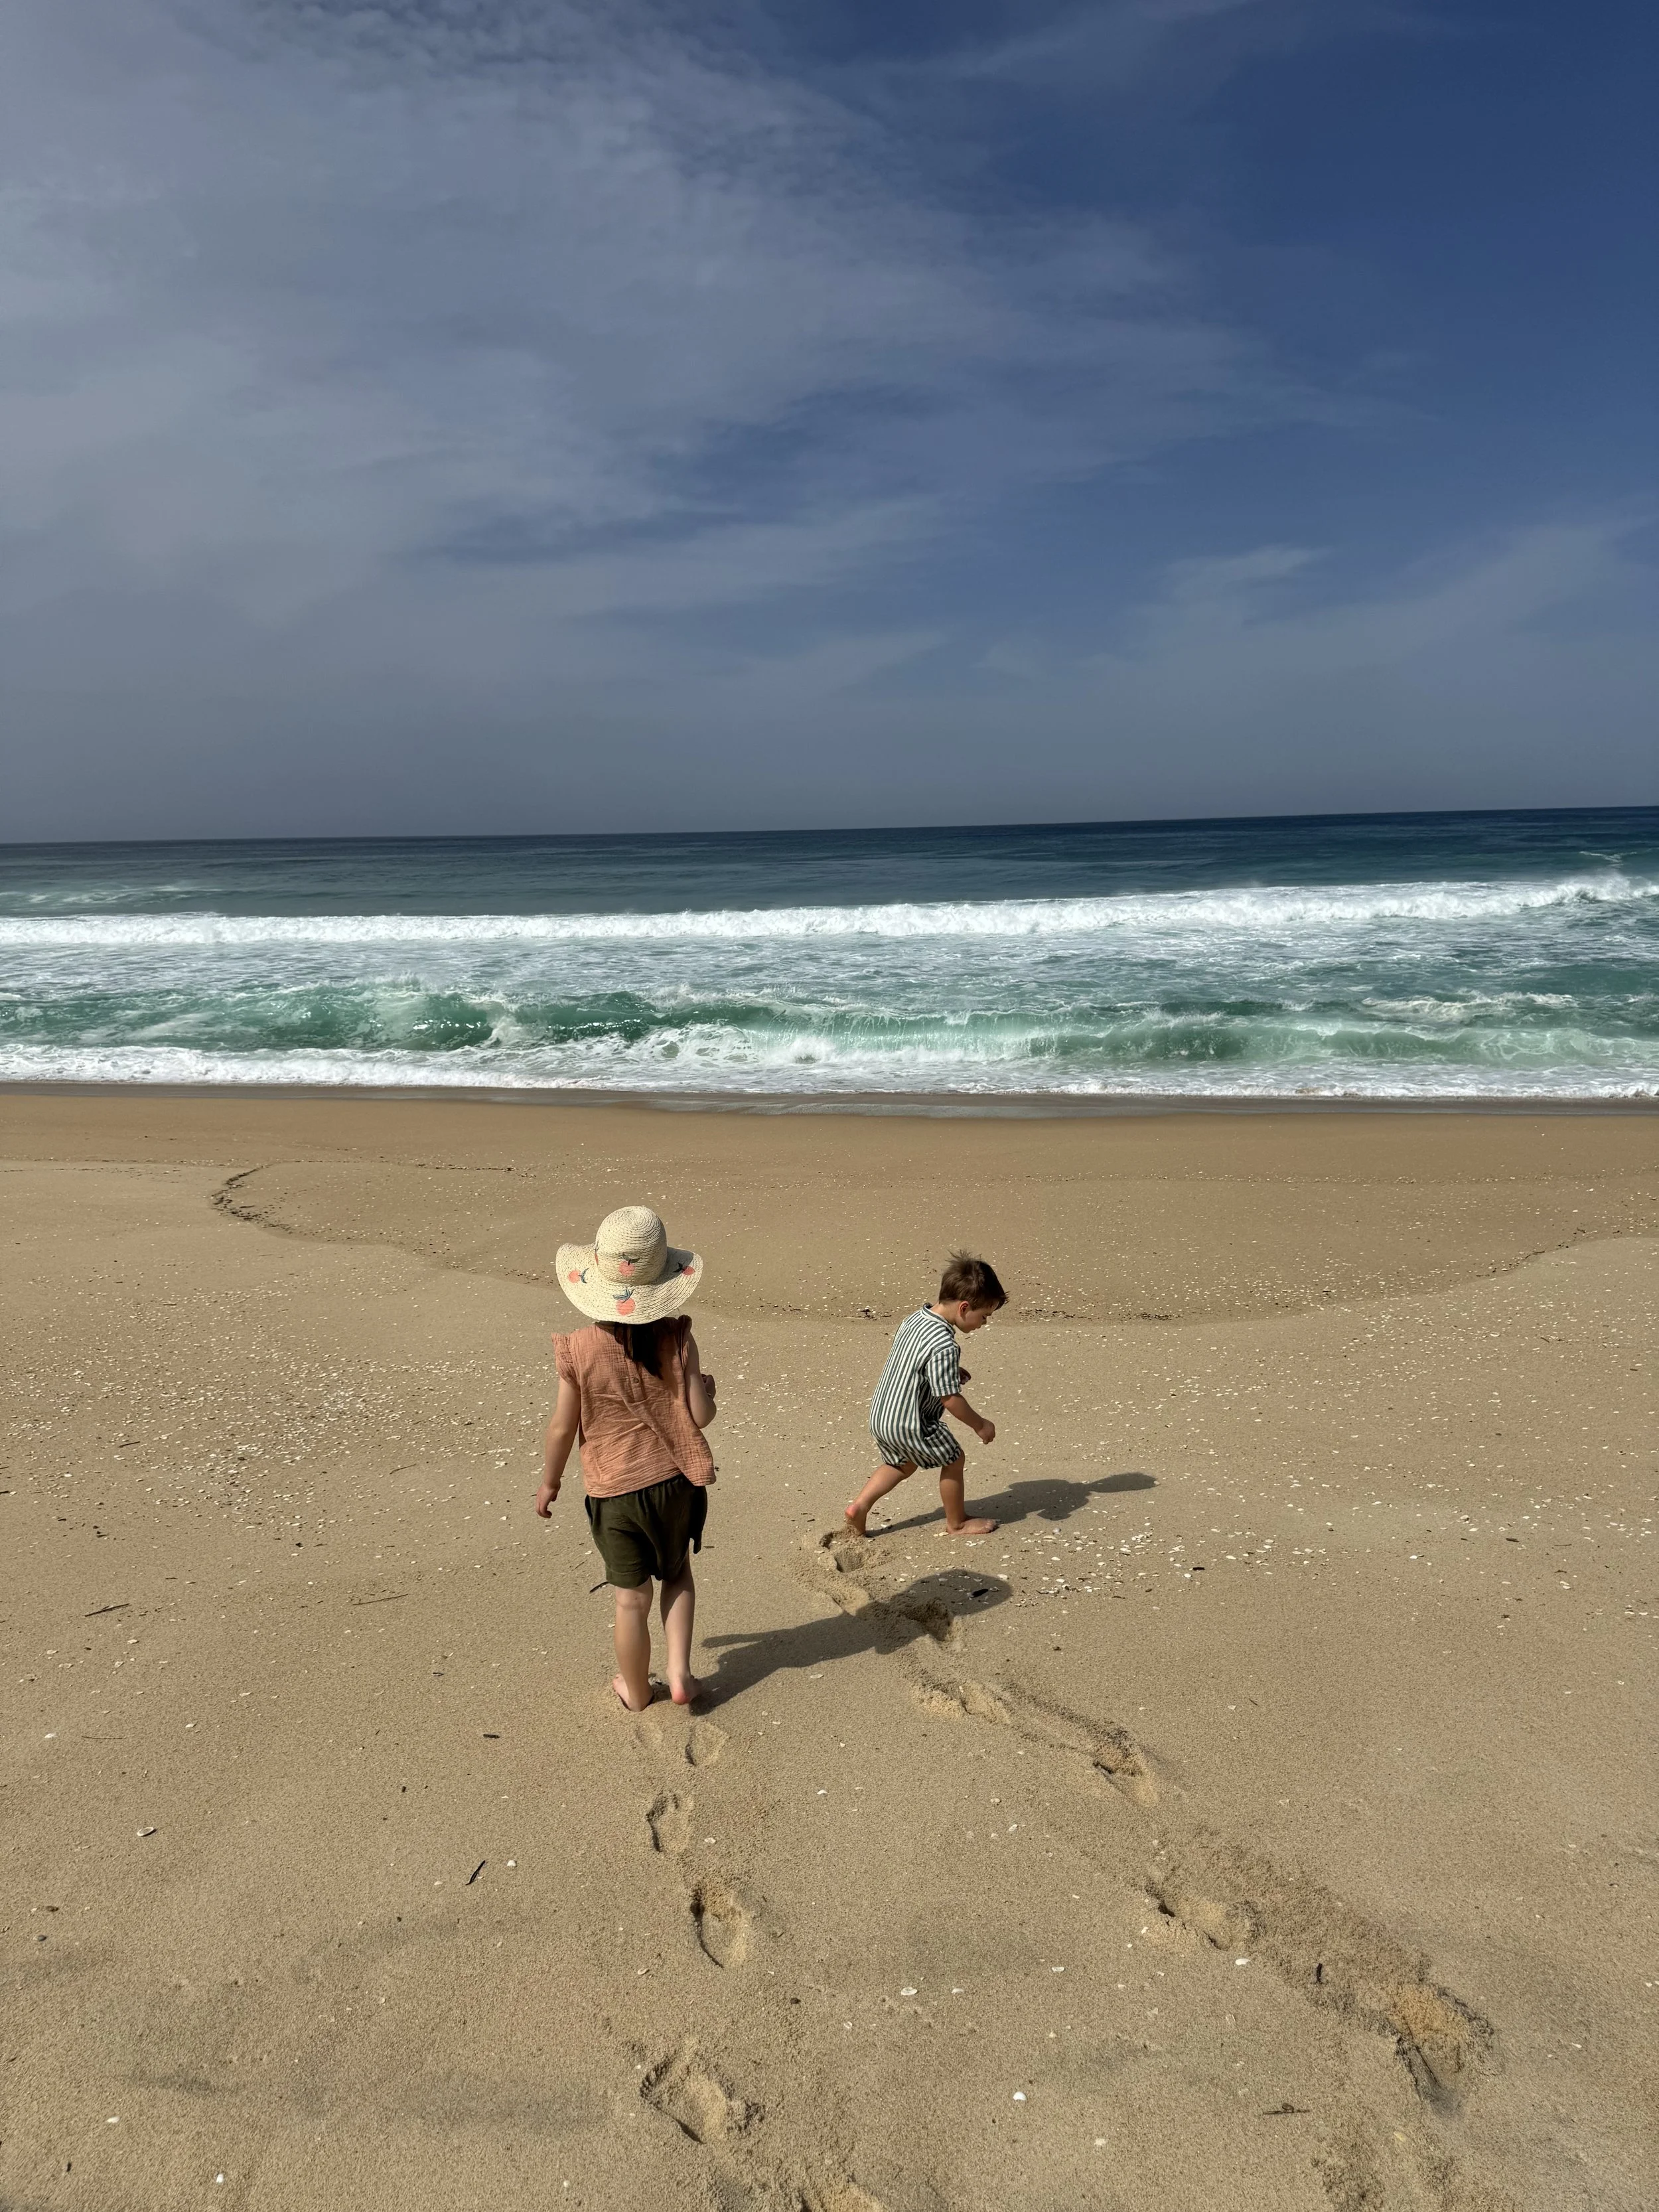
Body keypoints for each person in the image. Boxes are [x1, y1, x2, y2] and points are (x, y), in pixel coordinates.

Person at [536, 1205, 717, 1710]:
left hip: (614, 1492)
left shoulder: (577, 1349)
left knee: (630, 1599)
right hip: (675, 1483)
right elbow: (699, 1416)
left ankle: (637, 1692)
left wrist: (550, 1481)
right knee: (677, 1572)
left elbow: (562, 1426)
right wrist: (708, 1392)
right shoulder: (678, 1338)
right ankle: (680, 1674)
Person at [845, 1252, 1007, 1539]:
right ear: (965, 1307)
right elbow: (950, 1399)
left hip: (883, 1414)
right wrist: (980, 1424)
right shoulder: (945, 1345)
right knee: (954, 1460)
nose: (983, 1323)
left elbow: (914, 1361)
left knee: (902, 1463)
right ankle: (956, 1523)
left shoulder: (915, 1320)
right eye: (984, 1316)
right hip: (912, 1422)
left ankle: (859, 1506)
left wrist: (949, 1372)